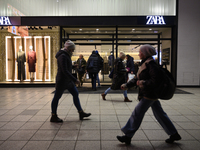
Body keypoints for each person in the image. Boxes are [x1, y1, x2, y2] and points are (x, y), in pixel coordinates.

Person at [117, 45, 181, 145]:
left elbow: (155, 81)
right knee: (160, 115)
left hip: (149, 94)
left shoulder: (151, 65)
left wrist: (142, 83)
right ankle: (174, 134)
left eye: (140, 52)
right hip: (151, 94)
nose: (139, 54)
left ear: (145, 53)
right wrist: (127, 85)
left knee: (137, 114)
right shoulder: (146, 63)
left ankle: (128, 136)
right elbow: (137, 79)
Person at [50, 40, 91, 122]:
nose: (73, 50)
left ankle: (81, 112)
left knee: (75, 93)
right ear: (69, 48)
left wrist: (72, 66)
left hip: (67, 80)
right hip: (62, 80)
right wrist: (75, 79)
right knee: (57, 97)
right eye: (72, 49)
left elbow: (65, 67)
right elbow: (64, 70)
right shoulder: (63, 56)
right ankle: (53, 116)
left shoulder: (66, 55)